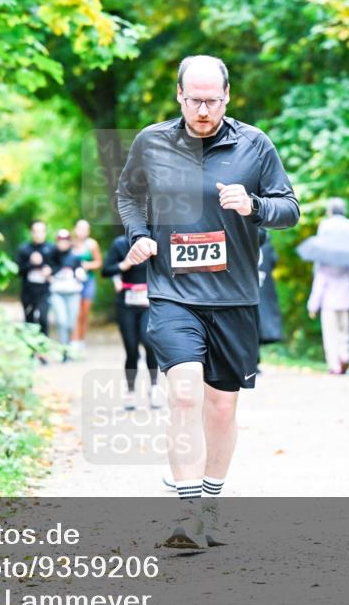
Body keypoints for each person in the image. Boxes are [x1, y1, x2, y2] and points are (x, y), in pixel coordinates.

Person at [116, 55, 299, 549]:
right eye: (194, 100)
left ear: (227, 96)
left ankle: (212, 506)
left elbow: (290, 209)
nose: (203, 109)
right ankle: (189, 512)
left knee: (220, 408)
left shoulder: (254, 144)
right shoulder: (152, 141)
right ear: (179, 95)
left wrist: (255, 206)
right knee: (182, 394)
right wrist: (139, 235)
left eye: (212, 101)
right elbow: (128, 194)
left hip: (235, 296)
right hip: (172, 291)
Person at [102, 233, 163, 410]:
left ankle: (154, 387)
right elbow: (106, 270)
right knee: (131, 349)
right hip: (126, 303)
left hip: (148, 302)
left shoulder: (154, 241)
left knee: (149, 342)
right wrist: (124, 265)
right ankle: (130, 392)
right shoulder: (120, 244)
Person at [306, 198, 349, 375]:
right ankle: (345, 356)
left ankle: (334, 365)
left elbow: (318, 283)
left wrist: (312, 306)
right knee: (345, 333)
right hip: (346, 300)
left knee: (330, 334)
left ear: (330, 211)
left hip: (328, 302)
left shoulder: (325, 227)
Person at [48, 229, 87, 360]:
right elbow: (48, 271)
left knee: (70, 323)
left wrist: (79, 274)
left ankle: (69, 347)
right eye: (60, 241)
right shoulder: (51, 255)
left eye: (65, 241)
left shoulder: (75, 257)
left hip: (73, 293)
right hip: (57, 292)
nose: (63, 243)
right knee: (61, 321)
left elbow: (80, 271)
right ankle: (64, 351)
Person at [15, 220, 54, 338]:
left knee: (43, 318)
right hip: (28, 291)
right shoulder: (24, 249)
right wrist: (31, 263)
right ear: (31, 233)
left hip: (45, 291)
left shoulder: (51, 249)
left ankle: (43, 350)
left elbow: (58, 267)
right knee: (29, 320)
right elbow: (17, 271)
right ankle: (31, 351)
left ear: (45, 232)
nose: (38, 234)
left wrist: (49, 271)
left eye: (41, 231)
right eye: (35, 231)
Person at [70, 219, 102, 353]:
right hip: (72, 282)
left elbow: (98, 262)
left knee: (84, 312)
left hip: (88, 281)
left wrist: (87, 265)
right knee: (75, 312)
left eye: (84, 229)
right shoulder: (70, 244)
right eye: (79, 228)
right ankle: (73, 342)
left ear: (88, 231)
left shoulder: (92, 244)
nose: (81, 231)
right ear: (75, 229)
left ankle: (81, 340)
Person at [256, 234, 284, 373]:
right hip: (264, 288)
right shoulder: (267, 245)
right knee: (260, 324)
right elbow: (274, 261)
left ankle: (252, 362)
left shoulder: (240, 239)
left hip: (246, 288)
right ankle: (255, 362)